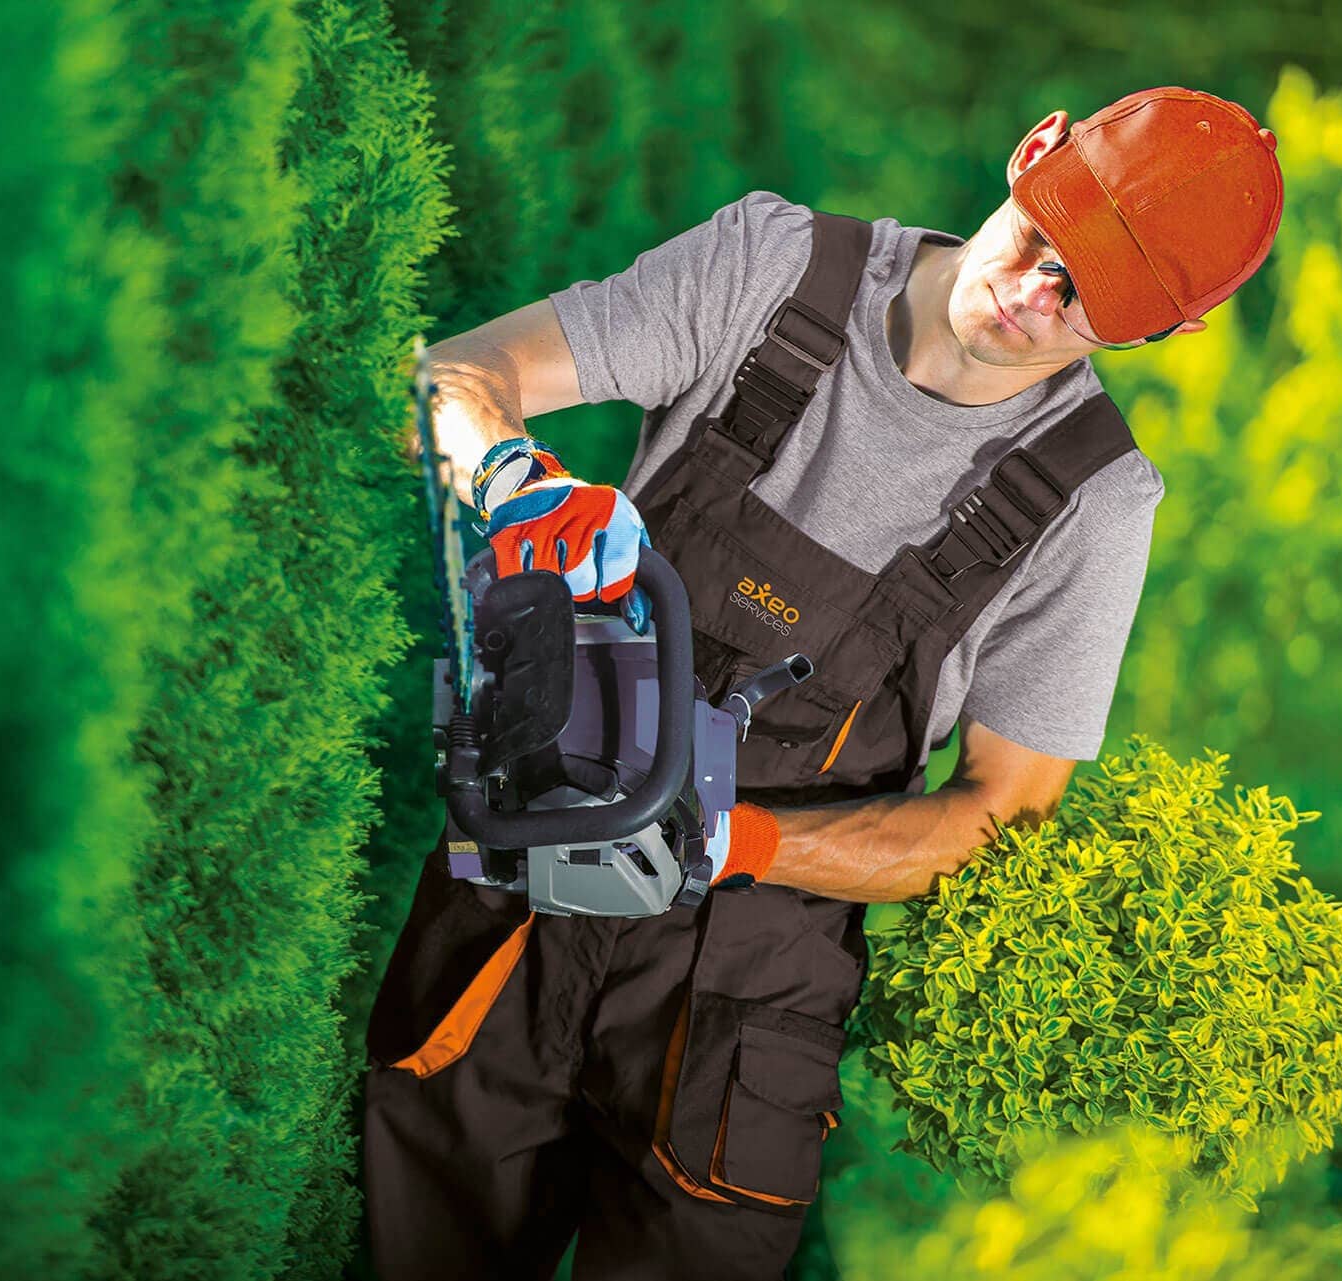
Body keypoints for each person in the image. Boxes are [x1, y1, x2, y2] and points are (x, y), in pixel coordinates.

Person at [364, 87, 1284, 1280]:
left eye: (1086, 302)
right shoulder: (773, 269)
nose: (1032, 293)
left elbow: (997, 820)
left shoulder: (1091, 504)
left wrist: (735, 842)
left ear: (1170, 334)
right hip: (520, 904)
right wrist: (509, 480)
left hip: (744, 1006)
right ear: (1034, 151)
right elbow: (451, 378)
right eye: (1044, 240)